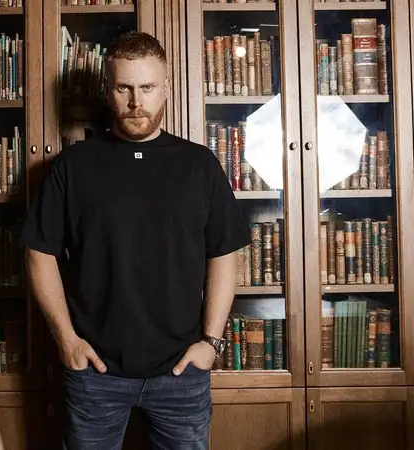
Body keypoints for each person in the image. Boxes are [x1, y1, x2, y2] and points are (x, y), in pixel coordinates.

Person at [20, 31, 251, 449]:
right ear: (107, 89)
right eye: (124, 88)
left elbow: (224, 253)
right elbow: (39, 252)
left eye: (147, 87)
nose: (135, 102)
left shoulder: (199, 165)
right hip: (95, 373)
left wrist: (210, 342)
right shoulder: (73, 166)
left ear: (166, 88)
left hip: (182, 372)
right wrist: (67, 340)